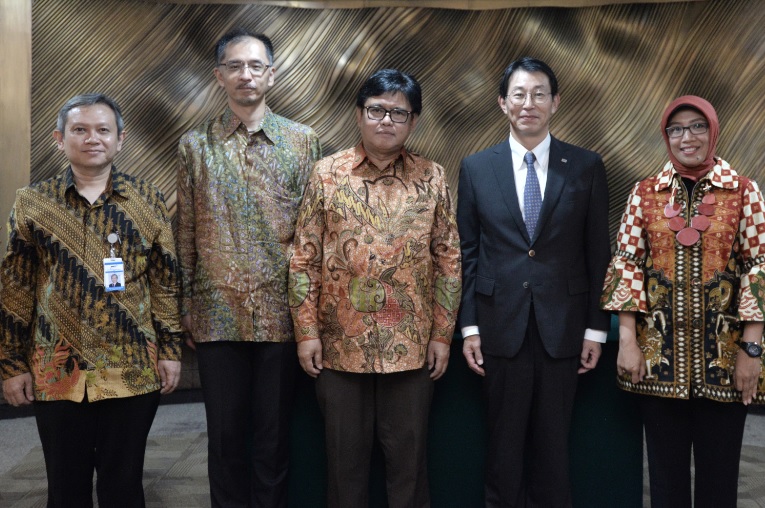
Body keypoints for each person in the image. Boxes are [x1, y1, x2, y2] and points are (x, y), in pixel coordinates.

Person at [289, 68, 461, 508]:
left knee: (409, 467)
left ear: (414, 121)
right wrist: (306, 332)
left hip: (410, 348)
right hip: (338, 348)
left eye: (398, 113)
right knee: (344, 470)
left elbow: (449, 260)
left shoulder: (433, 177)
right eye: (376, 110)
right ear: (359, 114)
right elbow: (303, 258)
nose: (386, 120)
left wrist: (442, 335)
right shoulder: (326, 175)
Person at [0, 93, 182, 507]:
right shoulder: (33, 202)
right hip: (56, 370)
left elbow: (166, 283)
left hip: (132, 367)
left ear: (120, 139)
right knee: (65, 488)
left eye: (103, 130)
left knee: (123, 485)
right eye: (79, 130)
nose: (92, 139)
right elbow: (15, 287)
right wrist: (11, 364)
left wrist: (170, 350)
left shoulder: (146, 200)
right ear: (59, 138)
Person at [175, 28, 320, 508]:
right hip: (217, 313)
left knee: (274, 438)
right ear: (219, 76)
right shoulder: (195, 146)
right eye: (235, 66)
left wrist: (309, 310)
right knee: (224, 437)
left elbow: (310, 233)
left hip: (281, 313)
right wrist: (187, 305)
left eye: (255, 65)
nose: (245, 74)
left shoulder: (302, 142)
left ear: (271, 74)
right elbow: (187, 232)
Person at [457, 57, 611, 507]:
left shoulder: (585, 166)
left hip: (562, 331)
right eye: (519, 94)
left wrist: (595, 329)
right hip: (498, 328)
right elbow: (467, 253)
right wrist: (469, 327)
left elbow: (597, 254)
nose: (529, 103)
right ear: (503, 103)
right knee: (502, 453)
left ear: (555, 102)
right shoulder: (476, 167)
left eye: (539, 93)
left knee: (553, 452)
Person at [601, 95, 765, 508]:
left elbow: (759, 267)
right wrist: (627, 341)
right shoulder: (645, 193)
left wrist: (751, 349)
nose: (686, 137)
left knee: (720, 481)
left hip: (726, 364)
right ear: (666, 135)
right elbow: (627, 264)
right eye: (676, 129)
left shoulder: (743, 191)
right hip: (658, 364)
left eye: (696, 127)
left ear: (712, 131)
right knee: (665, 481)